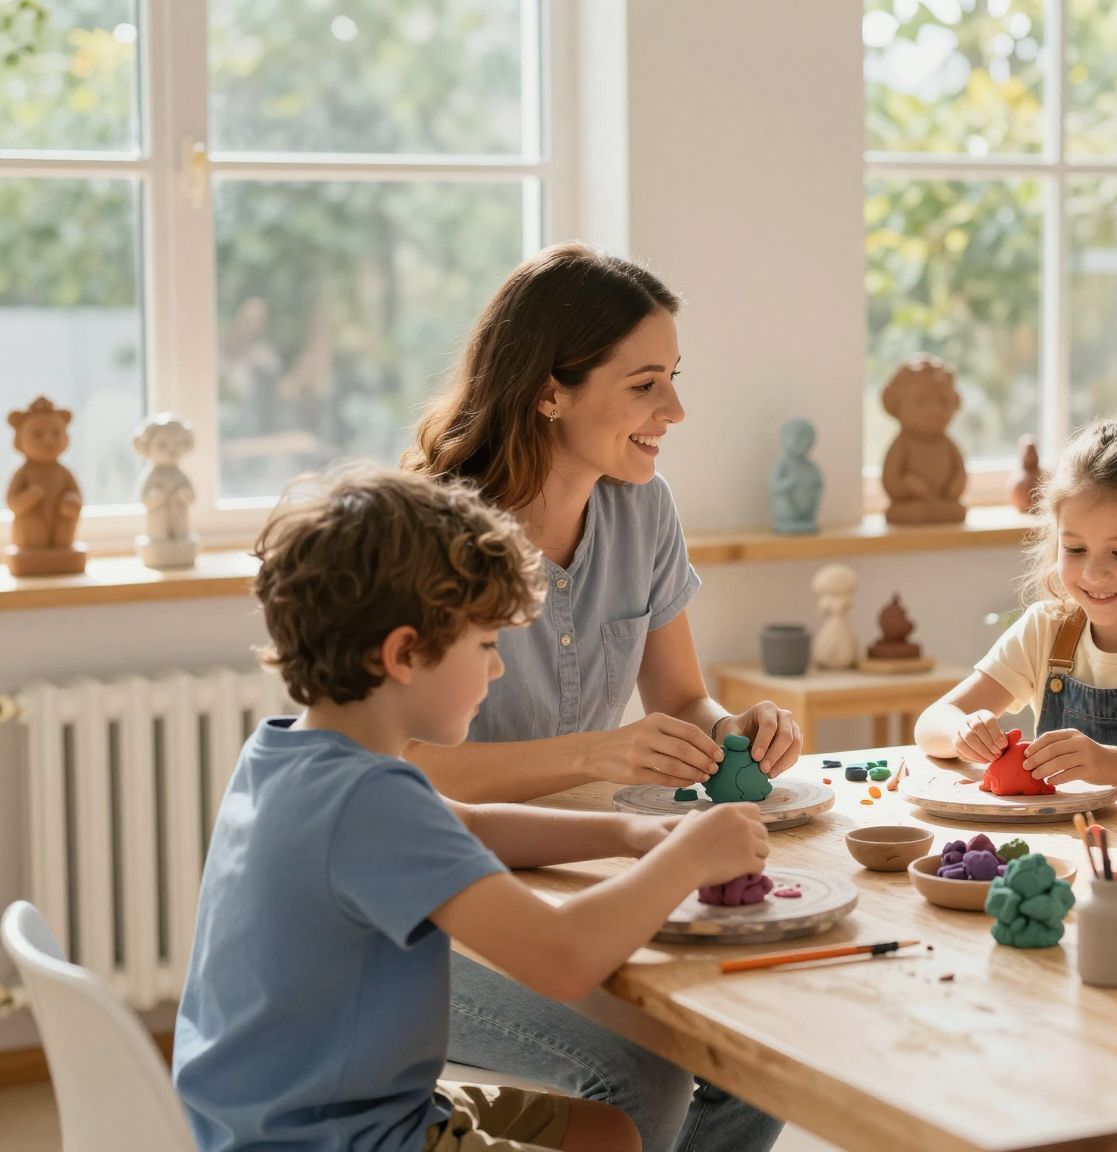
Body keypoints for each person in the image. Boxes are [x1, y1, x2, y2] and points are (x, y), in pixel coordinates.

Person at [172, 467, 770, 1152]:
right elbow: (563, 956)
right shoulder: (368, 800)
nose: (497, 670)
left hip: (291, 1113)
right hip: (344, 1137)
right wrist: (684, 858)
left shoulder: (292, 758)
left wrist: (633, 830)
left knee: (609, 1132)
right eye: (486, 646)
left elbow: (469, 824)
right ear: (403, 654)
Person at [402, 244, 791, 1151]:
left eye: (675, 379)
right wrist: (596, 756)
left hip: (581, 868)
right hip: (441, 904)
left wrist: (733, 733)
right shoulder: (429, 531)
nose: (676, 411)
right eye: (646, 384)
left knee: (760, 1048)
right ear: (550, 390)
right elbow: (404, 774)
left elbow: (682, 698)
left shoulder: (642, 510)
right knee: (638, 1078)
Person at [915, 421, 1117, 798]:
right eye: (1074, 549)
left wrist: (1106, 764)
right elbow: (930, 724)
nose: (1093, 573)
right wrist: (961, 732)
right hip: (1061, 846)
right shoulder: (1046, 630)